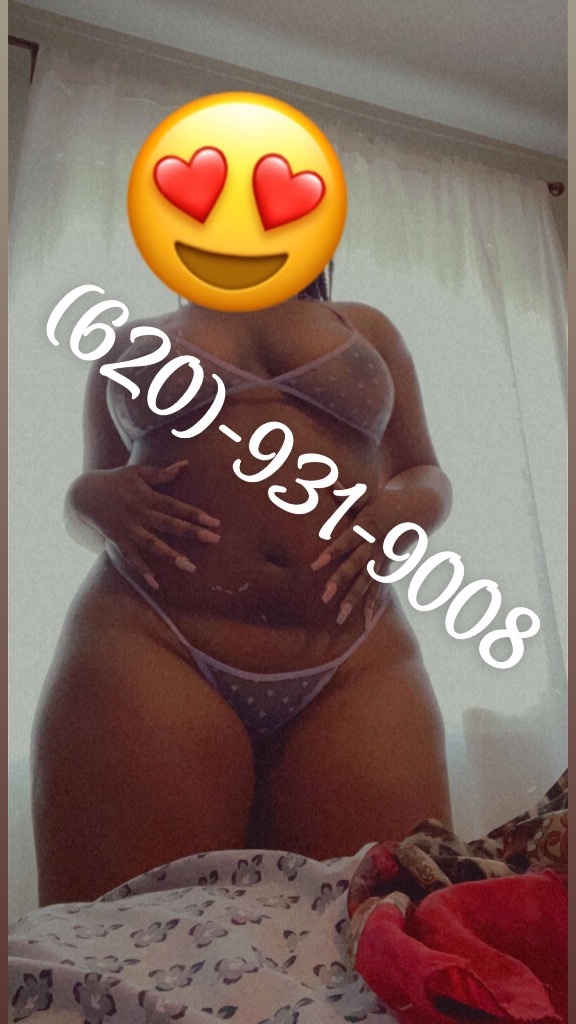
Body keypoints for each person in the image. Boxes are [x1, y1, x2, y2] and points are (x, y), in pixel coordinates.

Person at [31, 267, 453, 905]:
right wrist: (87, 497)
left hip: (354, 657)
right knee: (122, 936)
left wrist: (409, 508)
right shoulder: (129, 342)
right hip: (151, 647)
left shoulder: (366, 328)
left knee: (398, 925)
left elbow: (424, 469)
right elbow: (92, 495)